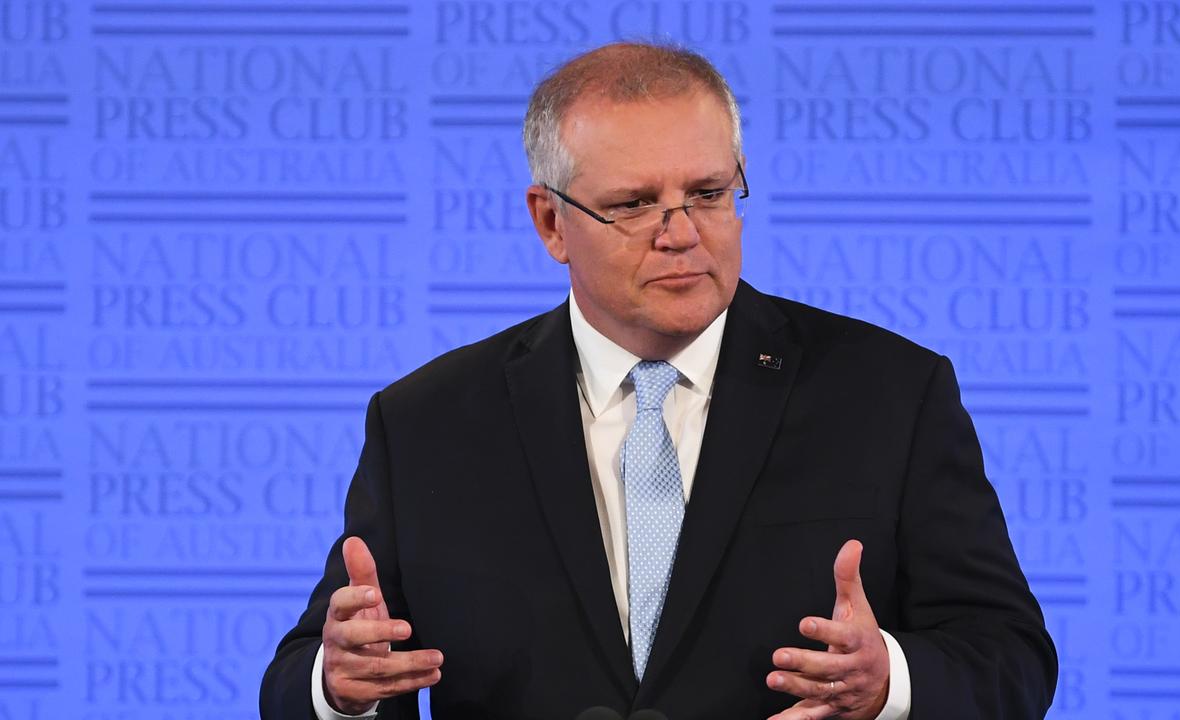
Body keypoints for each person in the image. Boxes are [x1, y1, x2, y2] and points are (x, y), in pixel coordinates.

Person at [260, 42, 1057, 720]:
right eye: (635, 204)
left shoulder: (890, 394)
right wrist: (338, 686)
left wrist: (890, 679)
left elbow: (1011, 656)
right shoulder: (427, 422)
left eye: (708, 194)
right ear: (550, 222)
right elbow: (303, 675)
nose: (682, 234)